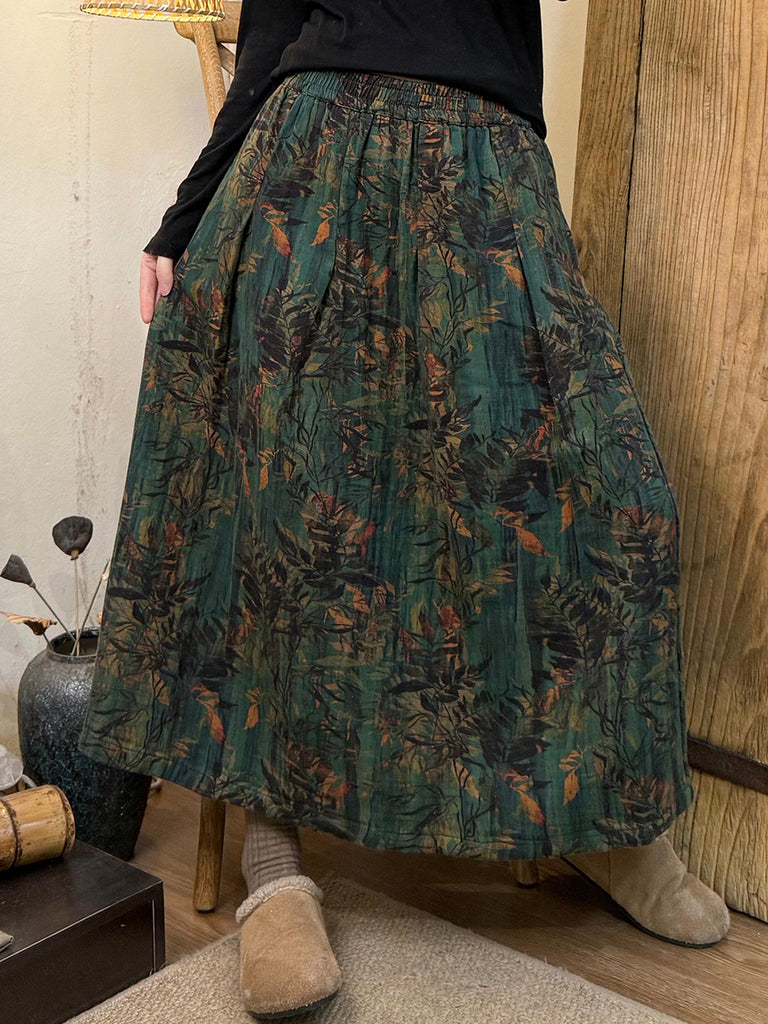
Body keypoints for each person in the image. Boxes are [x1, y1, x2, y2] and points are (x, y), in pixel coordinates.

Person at [78, 0, 731, 1017]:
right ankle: (274, 865)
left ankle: (607, 826)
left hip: (490, 159)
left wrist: (529, 196)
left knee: (612, 498)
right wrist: (185, 217)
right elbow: (271, 33)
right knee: (293, 503)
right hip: (316, 154)